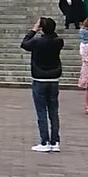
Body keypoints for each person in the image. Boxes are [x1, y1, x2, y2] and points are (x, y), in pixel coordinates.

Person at [21, 16, 64, 150]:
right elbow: (53, 36)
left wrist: (34, 30)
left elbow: (24, 43)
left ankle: (44, 141)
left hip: (40, 78)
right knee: (53, 111)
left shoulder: (37, 42)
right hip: (54, 78)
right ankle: (55, 141)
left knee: (41, 111)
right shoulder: (58, 41)